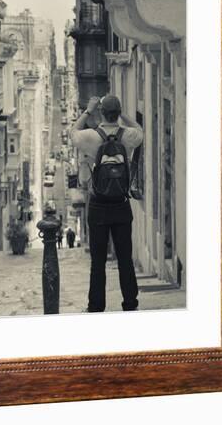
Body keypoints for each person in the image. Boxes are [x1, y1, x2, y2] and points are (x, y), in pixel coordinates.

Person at [70, 95, 143, 312]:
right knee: (125, 259)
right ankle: (130, 303)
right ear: (117, 113)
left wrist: (87, 111)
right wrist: (123, 114)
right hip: (121, 205)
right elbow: (140, 129)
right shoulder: (128, 136)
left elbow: (72, 132)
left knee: (97, 262)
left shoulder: (90, 137)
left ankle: (96, 306)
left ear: (101, 113)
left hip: (98, 205)